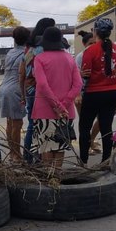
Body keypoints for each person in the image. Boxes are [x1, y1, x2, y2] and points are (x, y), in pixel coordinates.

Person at [31, 26, 83, 174]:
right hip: (66, 112)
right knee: (61, 146)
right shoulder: (69, 58)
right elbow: (78, 84)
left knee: (46, 146)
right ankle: (57, 176)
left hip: (44, 110)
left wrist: (56, 105)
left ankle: (48, 178)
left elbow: (42, 85)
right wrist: (64, 105)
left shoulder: (40, 59)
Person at [79, 18, 116, 163]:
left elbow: (85, 74)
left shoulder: (90, 50)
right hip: (113, 92)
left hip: (93, 92)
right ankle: (106, 161)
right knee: (106, 127)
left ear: (95, 31)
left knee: (85, 127)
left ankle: (84, 161)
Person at [19, 17, 56, 163]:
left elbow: (21, 73)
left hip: (29, 90)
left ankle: (28, 157)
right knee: (42, 125)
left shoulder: (29, 48)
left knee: (32, 124)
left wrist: (23, 93)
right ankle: (38, 158)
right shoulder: (44, 49)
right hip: (40, 90)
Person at [0, 26, 29, 162]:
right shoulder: (25, 54)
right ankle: (17, 154)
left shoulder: (10, 53)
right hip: (15, 89)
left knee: (10, 123)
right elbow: (23, 75)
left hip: (3, 88)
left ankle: (12, 153)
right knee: (17, 124)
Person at [74, 30, 101, 155]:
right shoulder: (80, 57)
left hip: (96, 92)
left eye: (95, 42)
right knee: (84, 122)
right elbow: (73, 76)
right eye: (90, 43)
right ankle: (87, 145)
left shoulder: (99, 54)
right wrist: (78, 94)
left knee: (102, 119)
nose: (93, 45)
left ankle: (91, 140)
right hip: (82, 93)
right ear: (84, 44)